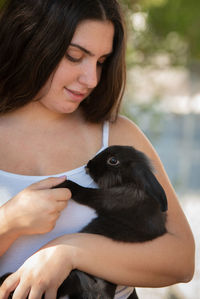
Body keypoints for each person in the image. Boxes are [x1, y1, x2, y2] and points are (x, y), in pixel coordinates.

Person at [0, 0, 195, 298]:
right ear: (30, 39)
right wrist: (8, 222)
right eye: (74, 56)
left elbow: (181, 260)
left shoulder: (117, 134)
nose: (91, 79)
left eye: (101, 61)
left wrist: (70, 251)